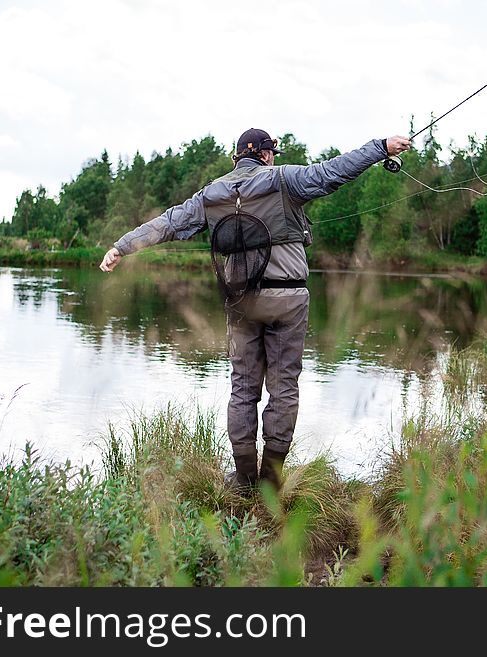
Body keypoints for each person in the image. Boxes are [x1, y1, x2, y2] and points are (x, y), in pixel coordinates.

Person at [99, 128, 411, 493]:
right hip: (288, 301)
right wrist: (381, 148)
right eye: (272, 153)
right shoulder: (284, 179)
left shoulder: (211, 194)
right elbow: (334, 171)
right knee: (283, 388)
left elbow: (168, 223)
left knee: (243, 389)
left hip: (241, 302)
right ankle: (272, 481)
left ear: (237, 157)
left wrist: (121, 247)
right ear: (265, 155)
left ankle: (244, 479)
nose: (274, 158)